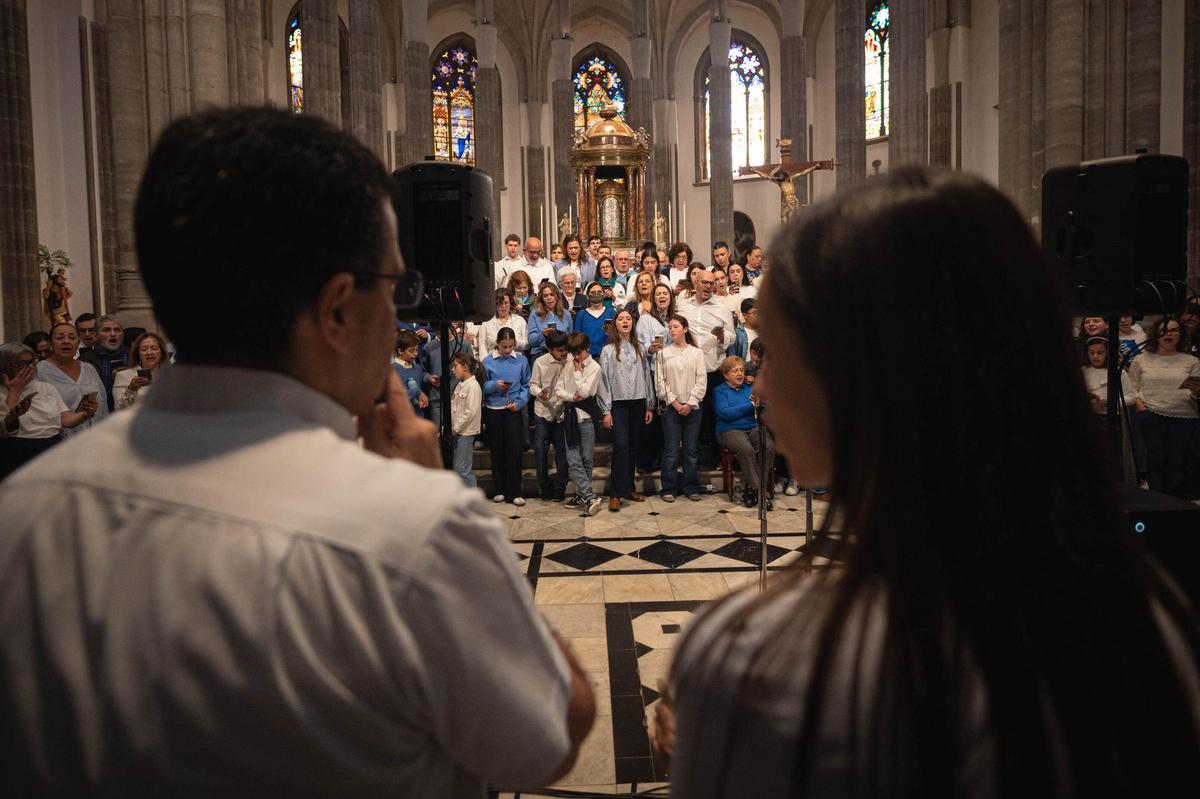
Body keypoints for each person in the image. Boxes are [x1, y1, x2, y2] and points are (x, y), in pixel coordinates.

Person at [0, 106, 593, 796]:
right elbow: (551, 734)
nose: (399, 315)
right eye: (394, 289)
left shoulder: (22, 515)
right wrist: (439, 506)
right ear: (339, 309)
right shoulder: (411, 529)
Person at [658, 167, 1200, 798]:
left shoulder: (759, 664)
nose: (760, 387)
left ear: (863, 376)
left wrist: (711, 741)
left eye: (773, 353)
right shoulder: (1153, 616)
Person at [0, 343, 95, 479]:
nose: (30, 367)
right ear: (5, 365)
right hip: (18, 449)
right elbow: (3, 427)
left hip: (51, 445)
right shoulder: (2, 391)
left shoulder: (45, 387)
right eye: (22, 363)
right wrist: (15, 391)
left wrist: (85, 414)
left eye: (32, 362)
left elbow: (65, 419)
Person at [1129, 317, 1200, 499]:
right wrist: (1142, 409)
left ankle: (1175, 503)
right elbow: (1132, 388)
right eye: (1165, 330)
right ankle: (1156, 501)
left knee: (1177, 463)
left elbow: (1195, 393)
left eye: (1174, 330)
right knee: (1155, 461)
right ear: (1156, 334)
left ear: (1181, 335)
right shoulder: (1141, 359)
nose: (1169, 334)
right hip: (1151, 414)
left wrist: (1197, 392)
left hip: (1184, 417)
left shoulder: (1192, 361)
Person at [677, 269, 737, 468]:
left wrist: (722, 336)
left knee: (712, 415)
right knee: (692, 414)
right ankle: (690, 457)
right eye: (704, 282)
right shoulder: (683, 306)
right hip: (690, 369)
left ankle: (712, 458)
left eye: (711, 283)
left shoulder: (722, 308)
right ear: (696, 283)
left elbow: (732, 337)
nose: (708, 286)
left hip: (713, 368)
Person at [598, 309, 653, 511]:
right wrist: (606, 410)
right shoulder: (608, 350)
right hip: (618, 403)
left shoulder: (640, 348)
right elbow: (603, 381)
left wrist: (649, 405)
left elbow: (646, 376)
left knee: (632, 446)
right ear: (615, 324)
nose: (625, 322)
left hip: (638, 401)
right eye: (621, 319)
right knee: (620, 445)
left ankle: (629, 488)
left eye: (628, 319)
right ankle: (615, 493)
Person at [656, 315, 707, 502]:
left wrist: (690, 403)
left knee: (690, 450)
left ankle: (690, 486)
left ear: (685, 329)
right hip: (672, 408)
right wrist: (675, 403)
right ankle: (668, 488)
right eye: (670, 327)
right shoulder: (663, 353)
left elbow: (701, 381)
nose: (672, 330)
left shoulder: (697, 353)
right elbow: (660, 382)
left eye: (676, 326)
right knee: (671, 450)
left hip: (693, 407)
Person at [713, 355, 774, 508]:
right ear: (726, 374)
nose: (740, 374)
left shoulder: (750, 389)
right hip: (728, 429)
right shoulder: (720, 391)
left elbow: (765, 407)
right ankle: (760, 492)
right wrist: (750, 405)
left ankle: (752, 488)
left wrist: (761, 403)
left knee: (768, 446)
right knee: (746, 449)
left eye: (742, 370)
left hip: (752, 427)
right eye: (735, 371)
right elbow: (725, 413)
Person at [555, 332, 604, 516]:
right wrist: (571, 396)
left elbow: (585, 392)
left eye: (578, 352)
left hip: (587, 416)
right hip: (570, 415)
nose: (575, 357)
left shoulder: (594, 367)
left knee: (586, 459)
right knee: (573, 459)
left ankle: (582, 494)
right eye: (573, 353)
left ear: (587, 348)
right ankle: (590, 496)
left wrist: (577, 372)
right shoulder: (570, 363)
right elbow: (559, 389)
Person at [482, 326, 531, 505]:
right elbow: (482, 386)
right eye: (504, 347)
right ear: (497, 343)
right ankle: (500, 489)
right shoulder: (487, 361)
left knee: (515, 451)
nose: (508, 350)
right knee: (497, 451)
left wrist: (519, 402)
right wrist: (495, 385)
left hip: (513, 410)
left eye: (511, 346)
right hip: (493, 410)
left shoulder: (521, 360)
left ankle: (515, 491)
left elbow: (526, 385)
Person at [36, 321, 107, 438]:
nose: (66, 341)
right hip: (60, 440)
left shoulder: (88, 368)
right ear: (51, 343)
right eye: (60, 338)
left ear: (78, 342)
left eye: (72, 337)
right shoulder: (40, 371)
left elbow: (103, 404)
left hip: (95, 437)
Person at [529, 329, 572, 501]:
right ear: (550, 349)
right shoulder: (540, 362)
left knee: (562, 450)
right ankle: (544, 485)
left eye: (565, 349)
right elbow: (533, 385)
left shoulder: (570, 360)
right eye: (560, 350)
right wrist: (540, 393)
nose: (564, 353)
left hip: (562, 411)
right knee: (541, 449)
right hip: (543, 411)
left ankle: (561, 486)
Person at [79, 314, 128, 411]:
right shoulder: (85, 360)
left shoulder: (134, 355)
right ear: (96, 335)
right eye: (106, 330)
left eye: (117, 330)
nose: (113, 334)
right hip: (99, 411)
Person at [450, 352, 483, 488]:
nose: (452, 370)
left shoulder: (473, 386)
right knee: (458, 469)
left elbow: (470, 412)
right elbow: (454, 409)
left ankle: (474, 498)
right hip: (458, 431)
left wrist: (456, 428)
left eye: (455, 366)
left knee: (462, 469)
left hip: (465, 432)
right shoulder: (460, 385)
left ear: (465, 367)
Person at [112, 331, 167, 410]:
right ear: (138, 354)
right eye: (144, 349)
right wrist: (131, 390)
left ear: (162, 352)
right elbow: (119, 409)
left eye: (154, 348)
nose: (149, 352)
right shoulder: (123, 376)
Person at [1081, 336, 1135, 417]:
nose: (1095, 356)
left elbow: (1131, 397)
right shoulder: (1083, 371)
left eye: (1100, 353)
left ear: (1107, 353)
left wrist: (1110, 403)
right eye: (1091, 352)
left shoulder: (1118, 372)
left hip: (1111, 416)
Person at [477, 287, 529, 356]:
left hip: (516, 360)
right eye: (500, 303)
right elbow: (482, 348)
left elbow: (527, 344)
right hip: (493, 360)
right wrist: (486, 362)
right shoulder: (486, 323)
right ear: (495, 305)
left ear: (510, 303)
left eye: (506, 303)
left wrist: (512, 342)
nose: (503, 306)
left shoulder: (520, 321)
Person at [527, 281, 573, 358]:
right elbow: (531, 341)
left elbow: (570, 338)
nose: (549, 298)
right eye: (545, 296)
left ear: (557, 296)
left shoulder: (566, 314)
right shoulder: (534, 314)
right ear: (542, 299)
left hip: (562, 353)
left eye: (552, 294)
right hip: (541, 353)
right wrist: (543, 334)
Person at [574, 282, 614, 357]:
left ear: (603, 294)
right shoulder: (581, 314)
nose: (596, 294)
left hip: (608, 355)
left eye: (599, 292)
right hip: (586, 356)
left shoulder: (611, 312)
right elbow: (577, 339)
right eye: (593, 292)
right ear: (587, 296)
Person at [392, 328, 428, 414]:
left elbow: (419, 391)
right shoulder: (391, 371)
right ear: (400, 351)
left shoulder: (417, 368)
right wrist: (416, 391)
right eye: (411, 351)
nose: (416, 353)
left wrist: (422, 397)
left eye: (416, 349)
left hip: (417, 415)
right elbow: (394, 397)